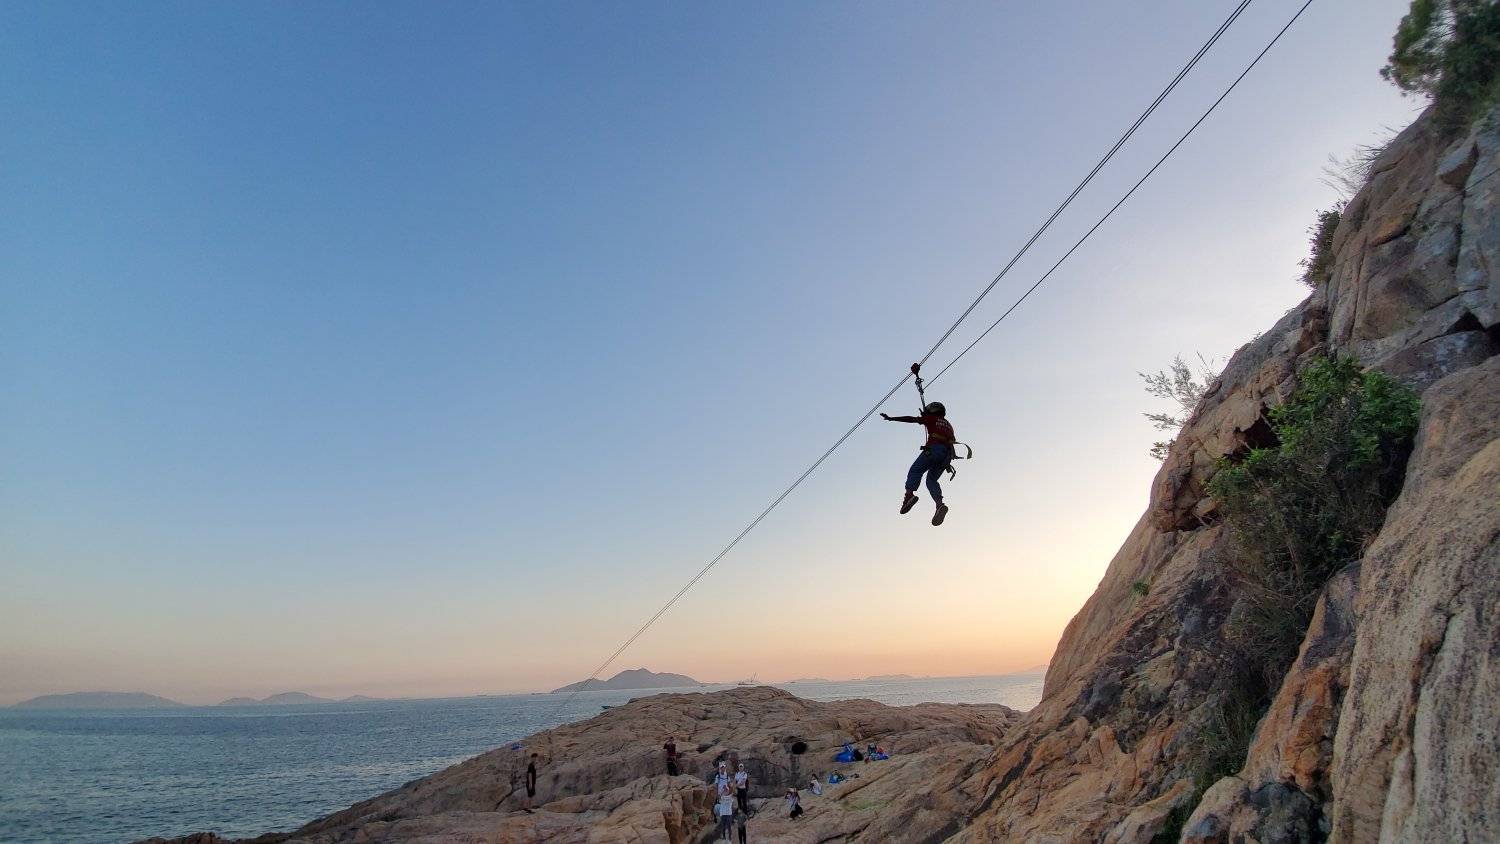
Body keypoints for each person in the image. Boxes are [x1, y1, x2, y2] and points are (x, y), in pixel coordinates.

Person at [881, 402, 956, 525]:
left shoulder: (931, 418)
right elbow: (952, 442)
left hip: (933, 450)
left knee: (915, 470)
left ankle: (909, 495)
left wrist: (891, 418)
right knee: (931, 481)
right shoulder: (948, 425)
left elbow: (911, 419)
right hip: (946, 455)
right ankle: (939, 505)